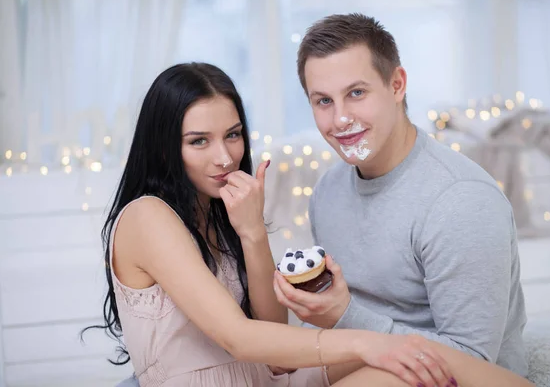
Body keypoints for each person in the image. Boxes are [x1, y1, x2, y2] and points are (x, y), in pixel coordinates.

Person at [83, 62, 459, 387]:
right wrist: (367, 342)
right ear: (165, 148)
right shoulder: (146, 217)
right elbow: (238, 338)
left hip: (268, 379)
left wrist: (252, 231)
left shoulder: (217, 212)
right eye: (199, 142)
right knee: (393, 358)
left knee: (426, 361)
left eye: (233, 135)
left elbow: (276, 345)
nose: (225, 157)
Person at [274, 13, 532, 384]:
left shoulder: (460, 200)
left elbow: (473, 362)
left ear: (397, 85)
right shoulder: (328, 191)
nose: (341, 119)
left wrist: (343, 315)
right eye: (323, 101)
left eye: (356, 93)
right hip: (364, 358)